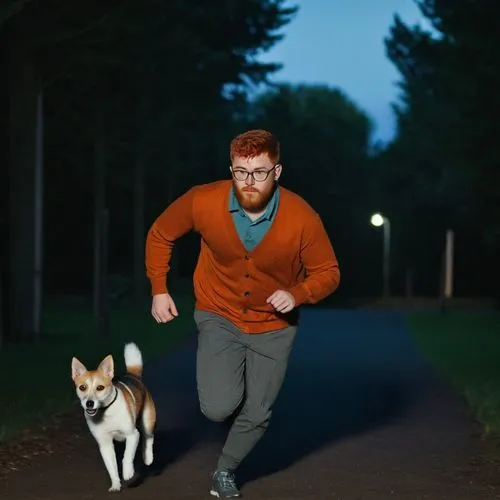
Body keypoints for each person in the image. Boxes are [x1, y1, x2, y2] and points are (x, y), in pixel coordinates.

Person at [145, 129, 340, 498]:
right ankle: (227, 400)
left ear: (277, 172)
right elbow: (160, 234)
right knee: (218, 408)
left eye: (260, 172)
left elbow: (329, 272)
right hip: (219, 312)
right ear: (230, 168)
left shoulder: (302, 218)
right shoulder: (203, 201)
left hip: (274, 327)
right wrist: (159, 289)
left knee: (259, 410)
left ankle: (225, 470)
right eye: (240, 171)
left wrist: (298, 293)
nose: (249, 182)